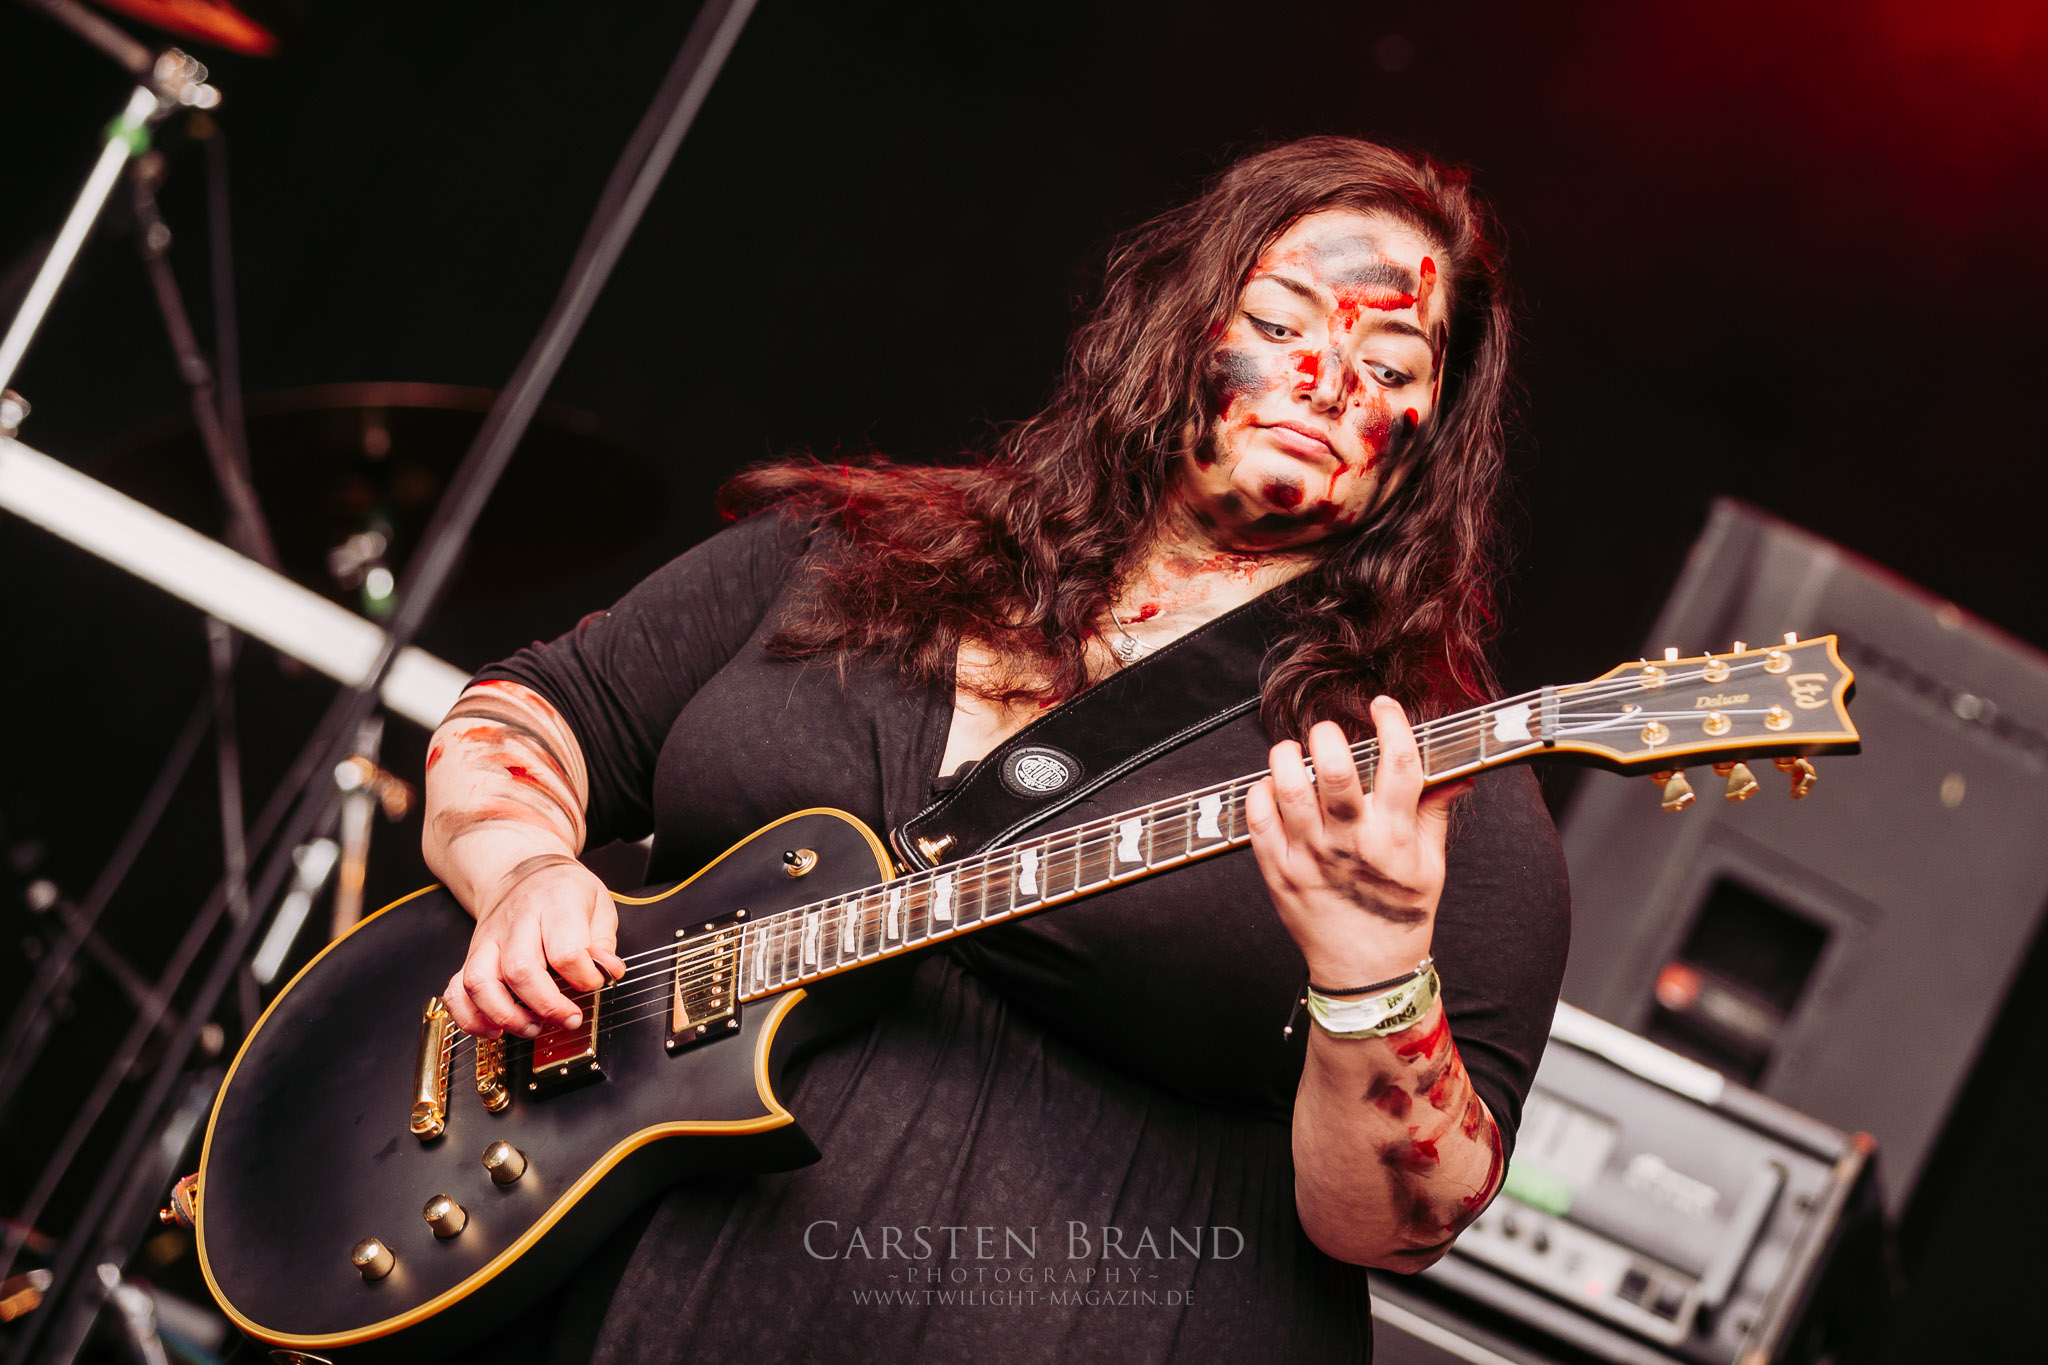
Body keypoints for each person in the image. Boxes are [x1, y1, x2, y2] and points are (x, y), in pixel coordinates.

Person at [423, 135, 1570, 1362]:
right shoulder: (857, 553)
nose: (1326, 382)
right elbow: (534, 711)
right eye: (1281, 323)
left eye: (1389, 365)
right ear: (1173, 326)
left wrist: (1375, 974)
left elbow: (1402, 1228)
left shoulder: (1423, 776)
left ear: (1430, 434)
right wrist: (522, 872)